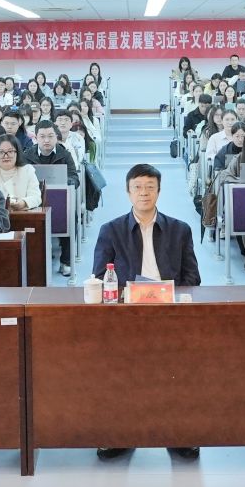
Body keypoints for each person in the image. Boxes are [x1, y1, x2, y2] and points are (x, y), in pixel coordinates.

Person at [89, 162, 203, 462]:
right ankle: (120, 433)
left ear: (159, 192)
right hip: (127, 315)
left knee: (181, 368)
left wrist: (169, 298)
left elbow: (193, 277)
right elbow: (100, 277)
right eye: (137, 187)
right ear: (128, 192)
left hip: (170, 313)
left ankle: (179, 433)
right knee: (117, 368)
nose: (144, 193)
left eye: (150, 187)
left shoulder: (180, 229)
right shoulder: (111, 230)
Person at [27, 122, 81, 275]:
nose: (46, 140)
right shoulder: (27, 155)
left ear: (56, 137)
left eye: (50, 136)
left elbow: (74, 177)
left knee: (71, 217)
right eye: (42, 136)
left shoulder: (65, 154)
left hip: (60, 200)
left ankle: (66, 261)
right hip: (35, 201)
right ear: (36, 138)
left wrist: (67, 181)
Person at [0, 134, 42, 210]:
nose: (6, 156)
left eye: (10, 151)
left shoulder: (27, 170)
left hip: (23, 215)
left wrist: (24, 203)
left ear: (18, 153)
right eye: (1, 152)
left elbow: (36, 197)